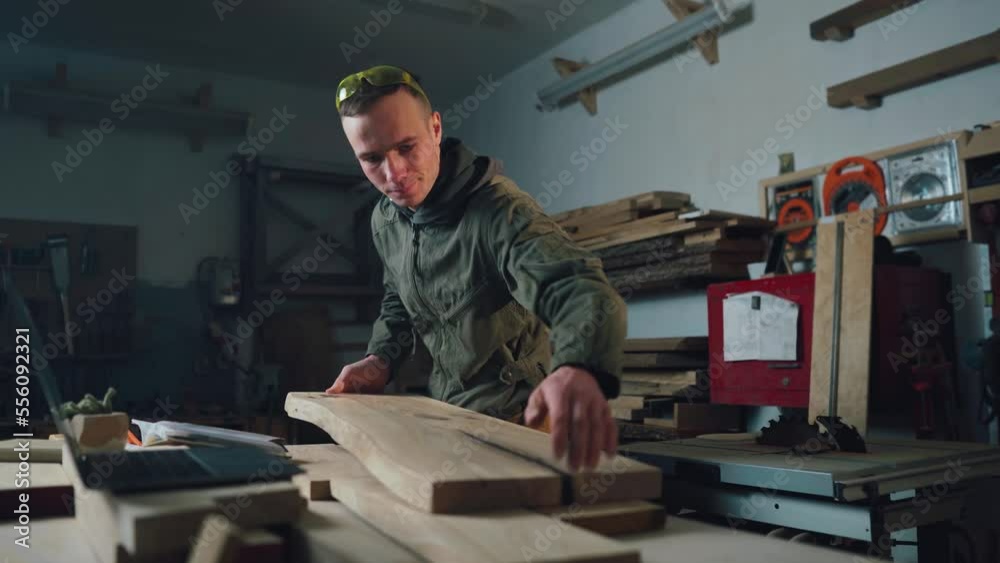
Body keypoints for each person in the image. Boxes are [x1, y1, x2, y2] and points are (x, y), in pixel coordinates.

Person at [324, 65, 626, 471]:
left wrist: (578, 366)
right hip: (449, 415)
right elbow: (398, 297)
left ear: (435, 129)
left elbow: (578, 290)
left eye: (406, 147)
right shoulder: (387, 219)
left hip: (525, 423)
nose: (394, 174)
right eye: (372, 159)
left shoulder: (500, 212)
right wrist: (381, 358)